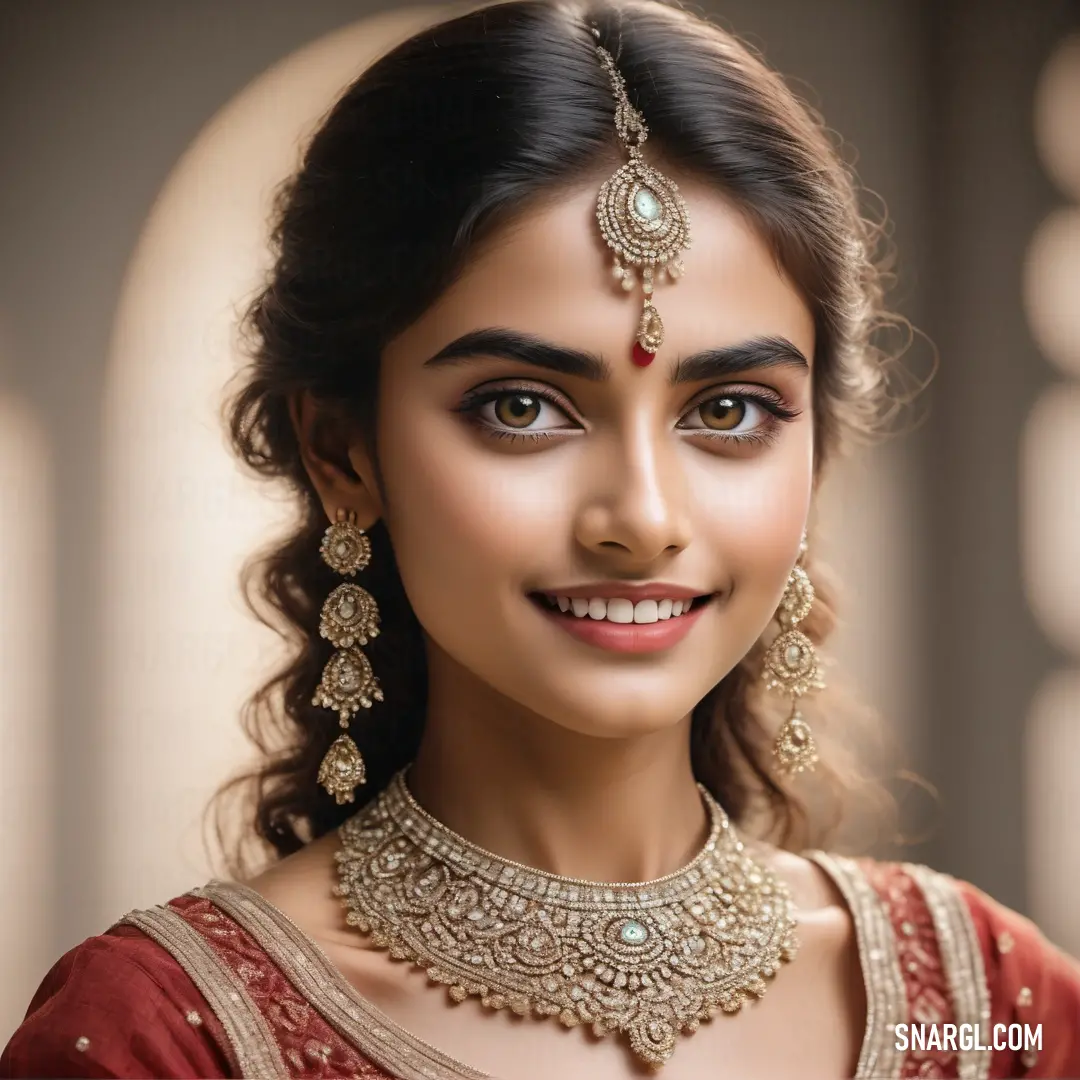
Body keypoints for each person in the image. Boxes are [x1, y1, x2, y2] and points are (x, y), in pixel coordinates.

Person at [4, 0, 1079, 1076]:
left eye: (731, 410)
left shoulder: (996, 1006)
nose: (644, 520)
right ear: (342, 451)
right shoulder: (162, 1039)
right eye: (522, 407)